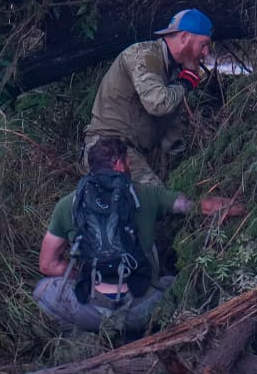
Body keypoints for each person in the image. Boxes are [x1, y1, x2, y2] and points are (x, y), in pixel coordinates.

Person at [33, 137, 241, 335]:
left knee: (42, 291)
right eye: (127, 162)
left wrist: (82, 277)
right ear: (119, 164)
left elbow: (47, 264)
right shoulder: (147, 194)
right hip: (142, 311)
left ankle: (84, 341)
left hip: (90, 311)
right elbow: (194, 207)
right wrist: (237, 206)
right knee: (176, 282)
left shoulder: (68, 204)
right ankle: (149, 333)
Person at [81, 8, 214, 186]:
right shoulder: (143, 56)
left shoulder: (172, 68)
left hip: (133, 151)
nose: (205, 53)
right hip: (108, 148)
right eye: (203, 44)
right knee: (158, 201)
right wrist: (184, 85)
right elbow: (158, 104)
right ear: (184, 38)